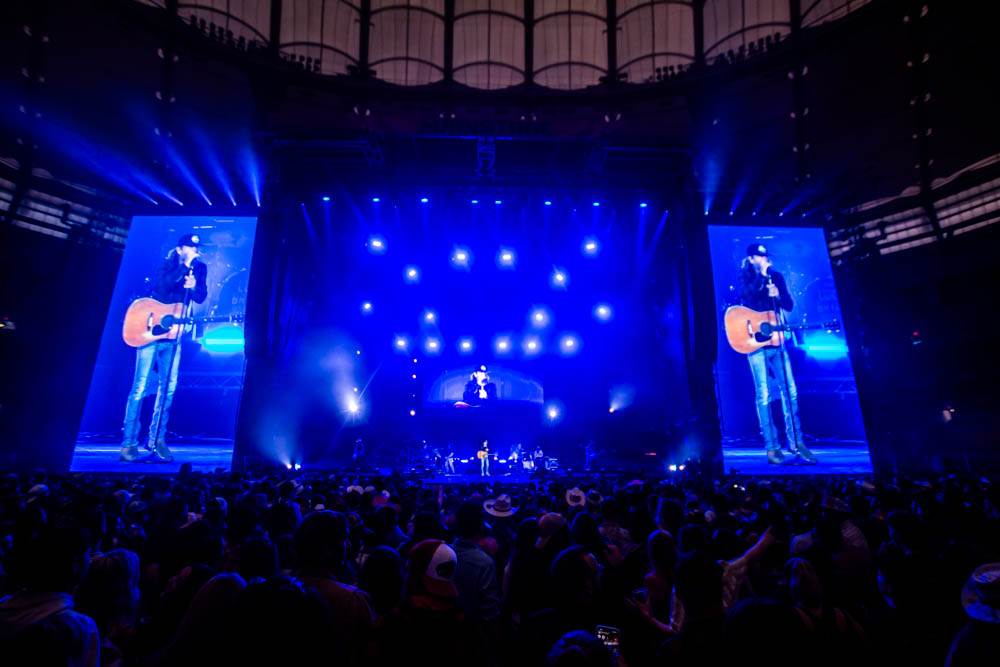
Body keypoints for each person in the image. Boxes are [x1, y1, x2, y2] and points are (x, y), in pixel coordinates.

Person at [120, 234, 208, 463]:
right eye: (190, 247)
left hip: (173, 334)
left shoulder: (200, 269)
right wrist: (184, 267)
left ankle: (157, 439)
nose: (195, 251)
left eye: (196, 248)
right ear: (180, 249)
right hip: (150, 330)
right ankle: (129, 443)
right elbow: (162, 287)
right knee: (140, 386)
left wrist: (194, 285)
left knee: (168, 387)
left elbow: (201, 297)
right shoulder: (166, 265)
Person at [738, 243, 817, 464]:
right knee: (763, 394)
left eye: (765, 256)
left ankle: (797, 442)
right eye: (759, 257)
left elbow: (789, 305)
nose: (764, 259)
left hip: (777, 341)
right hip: (755, 343)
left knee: (790, 391)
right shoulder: (745, 276)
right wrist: (762, 277)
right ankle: (772, 447)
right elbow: (747, 298)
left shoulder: (777, 277)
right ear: (751, 258)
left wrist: (778, 294)